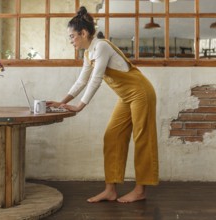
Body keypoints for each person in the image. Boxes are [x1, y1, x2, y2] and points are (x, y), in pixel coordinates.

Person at [47, 6, 159, 203]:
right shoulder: (88, 53)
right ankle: (111, 189)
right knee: (112, 136)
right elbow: (82, 80)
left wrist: (79, 106)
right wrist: (62, 102)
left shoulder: (101, 46)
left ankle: (140, 190)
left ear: (83, 33)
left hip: (141, 92)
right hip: (126, 96)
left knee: (142, 137)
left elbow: (96, 79)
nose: (71, 40)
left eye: (72, 36)